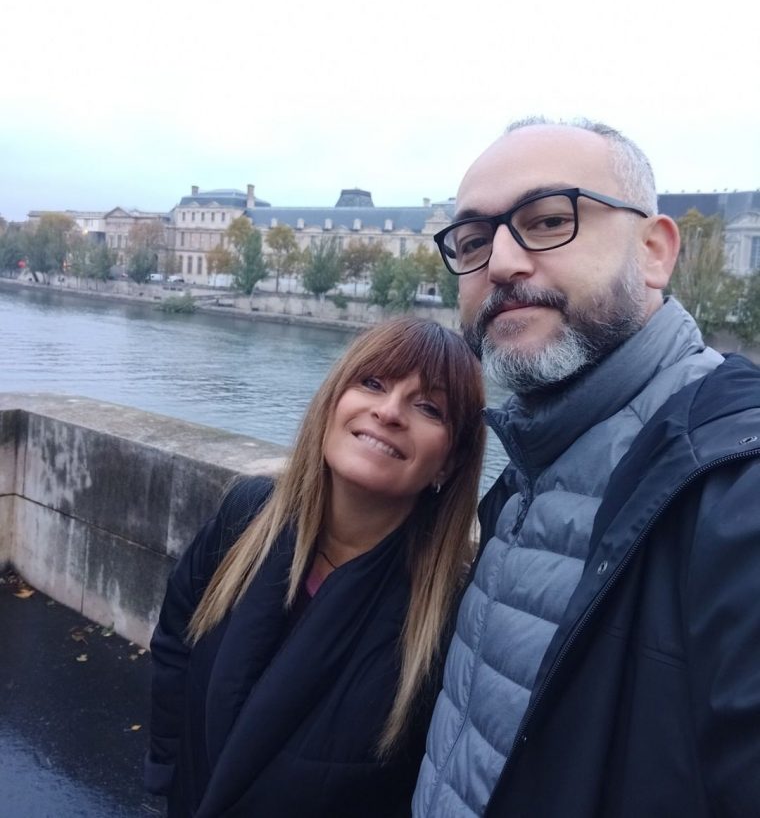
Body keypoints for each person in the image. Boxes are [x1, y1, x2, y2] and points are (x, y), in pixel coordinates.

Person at [414, 117, 760, 817]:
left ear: (655, 252)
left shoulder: (737, 486)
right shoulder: (524, 476)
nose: (501, 263)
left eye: (548, 221)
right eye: (474, 241)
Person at [145, 317, 485, 818]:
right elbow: (176, 638)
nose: (389, 411)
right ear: (332, 401)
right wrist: (167, 771)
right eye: (373, 382)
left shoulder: (447, 620)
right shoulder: (247, 514)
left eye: (429, 408)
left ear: (449, 463)